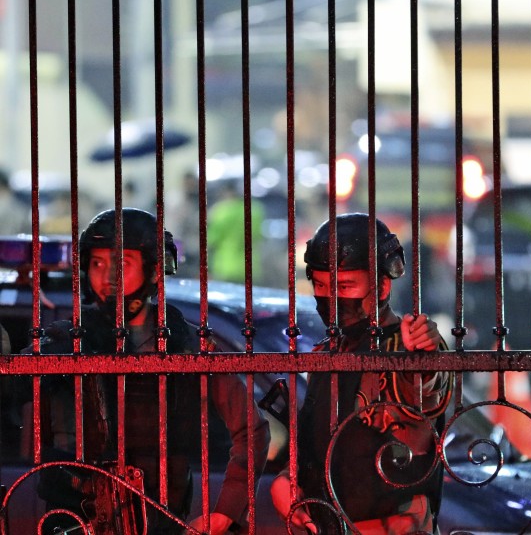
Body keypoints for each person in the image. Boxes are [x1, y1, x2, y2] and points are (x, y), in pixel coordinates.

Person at [31, 208, 270, 534]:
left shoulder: (186, 345)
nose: (106, 277)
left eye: (122, 265)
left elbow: (252, 430)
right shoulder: (64, 343)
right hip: (74, 520)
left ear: (155, 271)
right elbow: (13, 392)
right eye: (97, 264)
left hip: (159, 519)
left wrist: (226, 511)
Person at [270, 213, 451, 535]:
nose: (331, 297)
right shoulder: (327, 352)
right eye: (322, 285)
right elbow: (320, 443)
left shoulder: (402, 344)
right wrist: (288, 482)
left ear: (382, 286)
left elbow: (419, 406)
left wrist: (420, 358)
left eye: (346, 286)